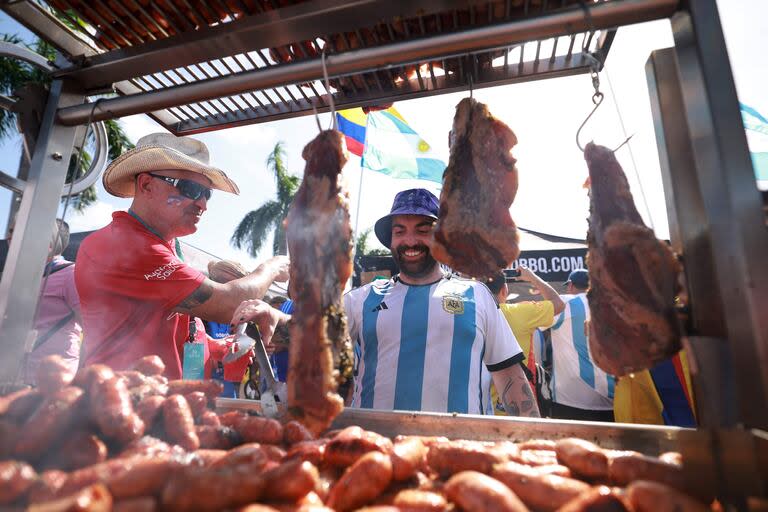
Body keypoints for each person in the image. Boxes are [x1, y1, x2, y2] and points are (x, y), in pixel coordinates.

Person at [231, 188, 539, 417]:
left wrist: (534, 443)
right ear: (391, 240)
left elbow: (510, 376)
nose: (410, 241)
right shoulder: (363, 298)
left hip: (461, 453)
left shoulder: (477, 296)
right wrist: (274, 317)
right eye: (399, 231)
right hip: (377, 450)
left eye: (423, 230)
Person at [75, 133, 289, 379]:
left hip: (157, 401)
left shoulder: (162, 245)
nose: (203, 204)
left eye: (207, 194)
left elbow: (158, 323)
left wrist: (212, 345)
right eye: (190, 189)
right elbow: (229, 303)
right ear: (146, 185)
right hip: (126, 404)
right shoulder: (126, 244)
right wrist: (271, 267)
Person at [484, 267, 565, 415]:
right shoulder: (521, 312)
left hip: (479, 409)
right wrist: (532, 277)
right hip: (519, 408)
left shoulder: (470, 314)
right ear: (504, 290)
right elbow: (559, 303)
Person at [549, 269, 615, 422]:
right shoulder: (610, 306)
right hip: (611, 398)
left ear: (570, 285)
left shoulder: (565, 304)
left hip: (570, 400)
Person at [23, 219, 82, 384]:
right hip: (17, 374)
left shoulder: (71, 273)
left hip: (55, 379)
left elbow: (91, 327)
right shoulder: (24, 276)